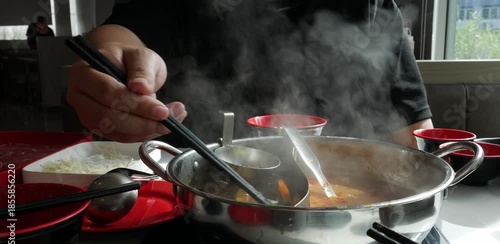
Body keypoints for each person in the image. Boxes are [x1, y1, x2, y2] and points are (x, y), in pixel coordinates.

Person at [66, 0, 434, 148]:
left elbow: (415, 139)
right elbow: (123, 34)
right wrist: (109, 64)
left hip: (355, 232)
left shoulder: (371, 6)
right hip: (201, 222)